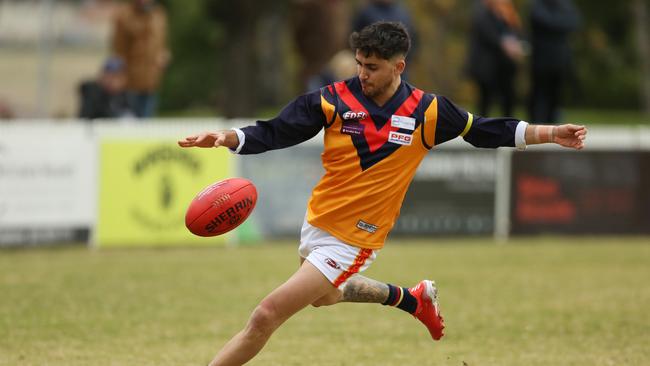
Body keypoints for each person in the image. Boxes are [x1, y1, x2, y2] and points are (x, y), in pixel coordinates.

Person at [178, 21, 587, 366]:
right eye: (359, 65)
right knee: (326, 297)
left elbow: (487, 130)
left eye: (372, 67)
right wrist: (227, 137)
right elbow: (276, 130)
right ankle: (411, 298)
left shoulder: (428, 112)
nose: (363, 74)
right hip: (319, 219)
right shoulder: (333, 99)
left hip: (355, 236)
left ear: (399, 66)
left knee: (265, 315)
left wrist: (550, 133)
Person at [466, 0, 526, 117]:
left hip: (506, 67)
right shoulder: (482, 13)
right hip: (487, 67)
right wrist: (503, 44)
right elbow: (486, 33)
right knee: (485, 102)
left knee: (508, 100)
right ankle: (482, 130)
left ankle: (508, 129)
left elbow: (518, 33)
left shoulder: (509, 15)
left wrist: (517, 45)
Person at [112, 0, 170, 118]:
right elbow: (119, 50)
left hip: (152, 79)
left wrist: (163, 55)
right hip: (131, 80)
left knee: (146, 122)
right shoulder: (124, 15)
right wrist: (120, 75)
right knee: (132, 121)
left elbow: (161, 42)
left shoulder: (158, 14)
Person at [528, 0, 581, 124]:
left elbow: (575, 22)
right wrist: (561, 23)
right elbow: (543, 20)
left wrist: (557, 23)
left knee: (556, 95)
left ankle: (554, 124)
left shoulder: (565, 5)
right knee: (540, 94)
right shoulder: (538, 5)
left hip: (560, 60)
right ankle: (538, 124)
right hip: (541, 59)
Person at [351, 0, 418, 79]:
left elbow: (413, 38)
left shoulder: (403, 12)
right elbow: (356, 38)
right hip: (373, 67)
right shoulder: (366, 12)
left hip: (399, 67)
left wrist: (407, 59)